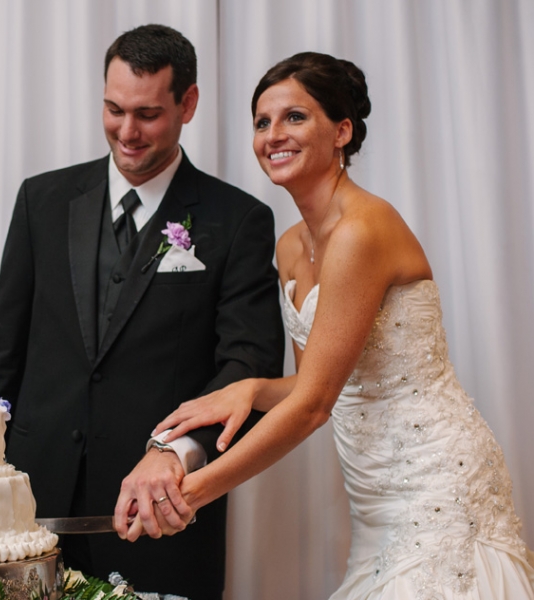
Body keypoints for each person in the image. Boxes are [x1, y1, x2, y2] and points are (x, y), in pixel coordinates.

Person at [114, 51, 534, 598]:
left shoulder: (363, 230)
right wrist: (250, 387)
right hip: (373, 500)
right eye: (262, 122)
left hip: (438, 487)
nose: (272, 135)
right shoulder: (290, 245)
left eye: (295, 117)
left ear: (341, 131)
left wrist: (189, 494)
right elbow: (316, 381)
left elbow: (313, 406)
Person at [0, 24, 285, 598]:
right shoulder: (41, 201)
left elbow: (248, 368)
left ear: (188, 104)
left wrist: (175, 454)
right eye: (113, 109)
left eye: (147, 114)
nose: (127, 131)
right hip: (26, 510)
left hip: (161, 520)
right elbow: (1, 353)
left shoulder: (237, 221)